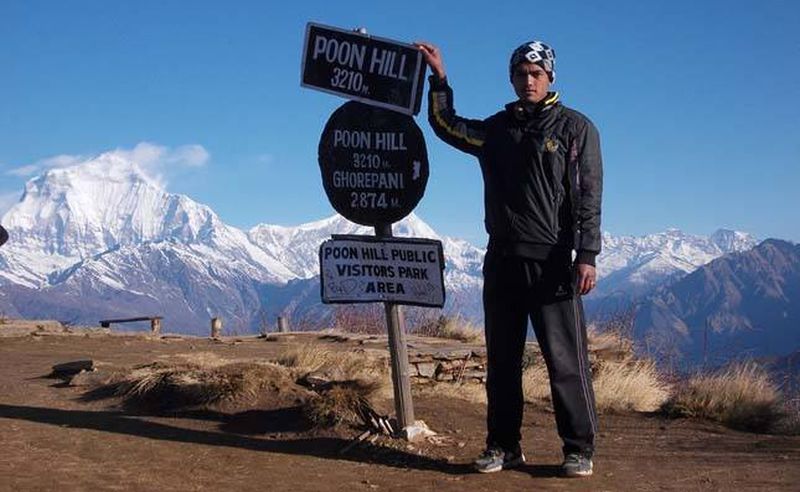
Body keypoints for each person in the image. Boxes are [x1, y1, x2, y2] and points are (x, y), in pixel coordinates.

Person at [416, 40, 602, 478]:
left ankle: (578, 448)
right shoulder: (496, 131)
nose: (529, 80)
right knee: (501, 362)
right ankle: (503, 446)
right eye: (521, 73)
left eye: (537, 73)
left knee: (565, 361)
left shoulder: (575, 128)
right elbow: (447, 126)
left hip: (554, 262)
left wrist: (587, 253)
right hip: (501, 261)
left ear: (551, 76)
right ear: (512, 78)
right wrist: (439, 79)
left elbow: (588, 194)